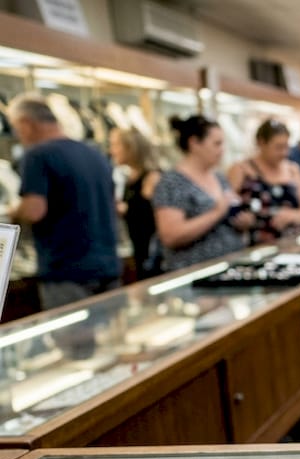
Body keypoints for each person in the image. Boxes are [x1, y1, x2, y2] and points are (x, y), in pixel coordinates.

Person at [7, 92, 122, 311]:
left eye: (16, 127)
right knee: (110, 340)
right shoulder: (94, 153)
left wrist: (14, 212)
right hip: (107, 265)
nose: (18, 134)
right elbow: (115, 205)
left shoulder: (37, 156)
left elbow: (34, 210)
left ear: (26, 123)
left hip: (67, 270)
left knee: (72, 341)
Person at [152, 115, 253, 271]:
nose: (222, 150)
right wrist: (216, 213)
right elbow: (171, 236)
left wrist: (242, 222)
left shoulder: (219, 177)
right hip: (194, 276)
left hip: (230, 268)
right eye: (216, 144)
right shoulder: (172, 182)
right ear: (194, 143)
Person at [228, 119, 300, 245]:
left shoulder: (292, 169)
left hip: (292, 245)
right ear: (261, 143)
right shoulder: (241, 169)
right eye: (278, 147)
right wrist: (242, 219)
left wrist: (292, 216)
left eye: (286, 147)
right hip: (255, 249)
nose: (284, 153)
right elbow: (228, 208)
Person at [108, 126, 162, 279]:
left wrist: (125, 209)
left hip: (151, 254)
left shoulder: (152, 177)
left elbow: (149, 216)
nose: (112, 151)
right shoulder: (129, 178)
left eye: (115, 145)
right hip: (138, 249)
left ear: (130, 148)